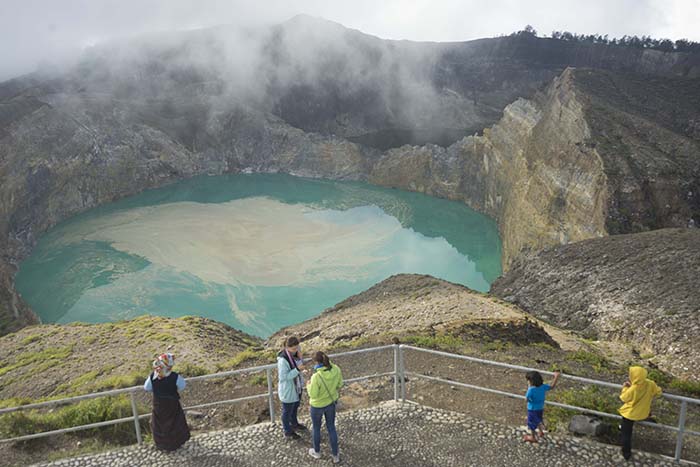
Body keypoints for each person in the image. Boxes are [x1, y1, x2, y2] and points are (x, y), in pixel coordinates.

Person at [143, 353, 191, 451]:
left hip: (159, 405)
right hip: (172, 405)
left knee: (159, 425)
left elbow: (146, 387)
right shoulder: (174, 377)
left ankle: (162, 445)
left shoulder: (153, 376)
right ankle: (176, 444)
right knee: (175, 423)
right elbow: (182, 386)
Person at [619, 366, 662, 461]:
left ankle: (626, 454)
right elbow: (658, 392)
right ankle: (621, 427)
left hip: (630, 414)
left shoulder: (633, 389)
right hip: (643, 413)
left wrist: (625, 387)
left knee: (626, 434)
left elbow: (623, 398)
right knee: (627, 429)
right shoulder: (650, 384)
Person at [307, 351, 343, 463]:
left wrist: (308, 385)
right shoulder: (336, 369)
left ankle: (317, 452)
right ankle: (335, 455)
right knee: (331, 427)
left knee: (316, 427)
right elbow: (340, 384)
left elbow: (313, 394)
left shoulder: (316, 377)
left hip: (317, 405)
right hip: (331, 403)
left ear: (317, 363)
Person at [277, 336, 307, 439]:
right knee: (287, 411)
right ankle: (287, 431)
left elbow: (299, 365)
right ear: (287, 347)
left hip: (297, 387)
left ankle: (294, 424)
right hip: (289, 389)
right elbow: (283, 377)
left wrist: (300, 358)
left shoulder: (295, 354)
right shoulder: (283, 360)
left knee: (295, 407)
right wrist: (297, 370)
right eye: (293, 349)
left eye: (297, 348)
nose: (296, 350)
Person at [523, 370, 560, 443]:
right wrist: (556, 377)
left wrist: (531, 401)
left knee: (531, 423)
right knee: (538, 419)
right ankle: (541, 432)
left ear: (530, 381)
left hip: (532, 409)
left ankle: (533, 437)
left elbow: (526, 399)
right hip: (540, 407)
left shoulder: (531, 390)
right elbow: (552, 387)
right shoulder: (543, 386)